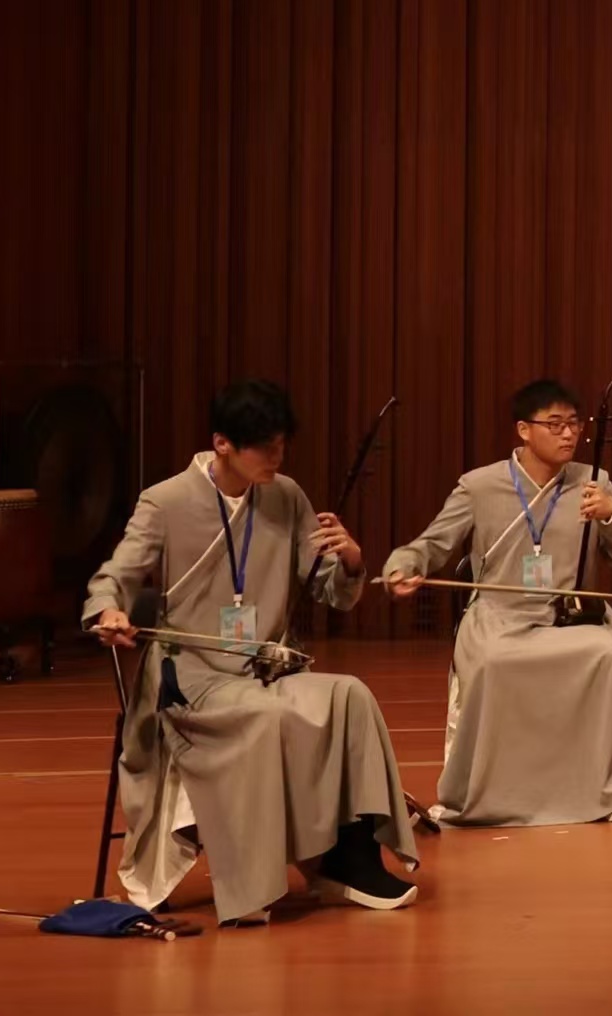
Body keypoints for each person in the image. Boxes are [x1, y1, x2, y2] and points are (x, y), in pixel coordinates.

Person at [84, 379, 418, 925]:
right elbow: (114, 576)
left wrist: (352, 560)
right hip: (193, 677)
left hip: (268, 667)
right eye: (264, 448)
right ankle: (253, 881)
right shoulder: (165, 501)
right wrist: (108, 611)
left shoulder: (286, 496)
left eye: (281, 445)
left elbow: (330, 590)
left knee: (350, 696)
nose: (276, 458)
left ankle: (351, 858)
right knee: (264, 717)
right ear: (222, 443)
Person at [378, 378, 612, 827]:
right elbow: (431, 544)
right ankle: (491, 795)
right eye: (554, 424)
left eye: (574, 424)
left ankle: (607, 787)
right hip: (499, 618)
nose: (568, 434)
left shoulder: (593, 483)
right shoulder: (479, 486)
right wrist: (402, 567)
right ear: (523, 430)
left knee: (607, 654)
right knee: (492, 661)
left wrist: (611, 514)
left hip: (567, 618)